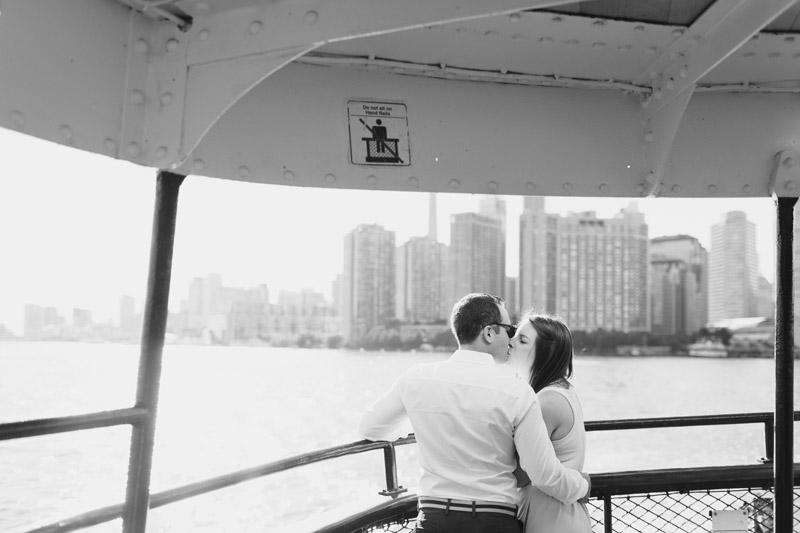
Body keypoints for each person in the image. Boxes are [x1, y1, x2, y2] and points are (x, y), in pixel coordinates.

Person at [359, 293, 590, 533]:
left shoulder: (416, 378)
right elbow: (542, 474)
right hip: (495, 521)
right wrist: (582, 487)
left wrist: (414, 424)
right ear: (489, 333)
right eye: (508, 329)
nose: (510, 338)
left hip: (435, 518)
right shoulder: (518, 392)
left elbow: (371, 428)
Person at [507, 313, 592, 533]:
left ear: (545, 355)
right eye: (514, 336)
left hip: (552, 517)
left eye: (522, 340)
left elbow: (522, 474)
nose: (510, 342)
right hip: (560, 511)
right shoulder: (561, 391)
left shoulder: (546, 402)